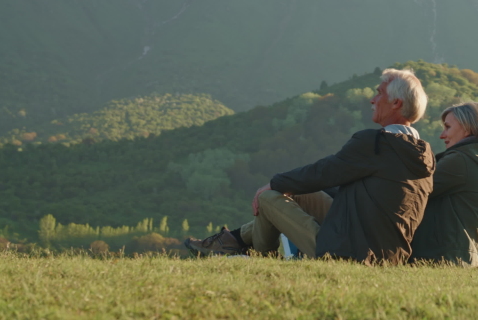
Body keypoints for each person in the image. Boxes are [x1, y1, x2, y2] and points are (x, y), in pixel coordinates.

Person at [185, 68, 434, 265]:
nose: (372, 99)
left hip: (348, 253)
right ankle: (234, 240)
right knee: (301, 193)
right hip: (388, 254)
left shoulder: (378, 143)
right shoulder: (423, 155)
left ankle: (259, 258)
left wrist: (274, 183)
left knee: (269, 198)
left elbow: (325, 171)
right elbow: (361, 193)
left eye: (379, 93)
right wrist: (291, 188)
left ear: (396, 103)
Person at [410, 102, 478, 266]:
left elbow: (413, 191)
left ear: (468, 128)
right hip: (468, 259)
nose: (442, 135)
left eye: (448, 127)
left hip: (443, 260)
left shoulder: (461, 161)